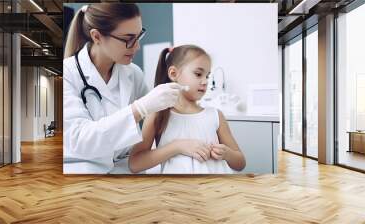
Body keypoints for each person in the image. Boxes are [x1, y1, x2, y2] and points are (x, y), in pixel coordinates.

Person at [63, 3, 185, 174]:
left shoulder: (133, 73)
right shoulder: (68, 73)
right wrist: (139, 108)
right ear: (97, 36)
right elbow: (80, 141)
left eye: (138, 36)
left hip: (123, 166)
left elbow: (157, 115)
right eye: (128, 39)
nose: (137, 47)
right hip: (82, 168)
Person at [129, 45, 246, 174]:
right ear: (174, 74)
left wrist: (227, 154)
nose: (205, 81)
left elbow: (240, 163)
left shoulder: (215, 116)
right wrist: (177, 147)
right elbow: (135, 164)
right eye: (198, 74)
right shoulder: (158, 114)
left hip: (213, 189)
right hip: (176, 191)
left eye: (207, 76)